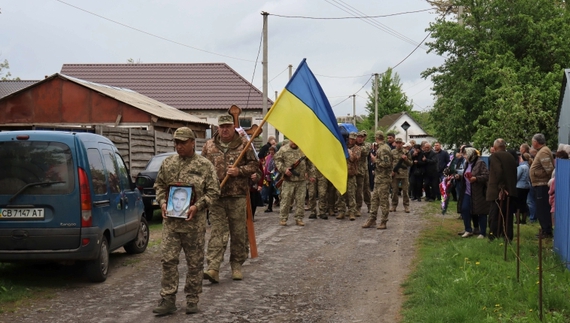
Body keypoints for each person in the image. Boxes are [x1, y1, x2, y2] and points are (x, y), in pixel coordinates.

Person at [152, 127, 219, 316]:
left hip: (193, 225)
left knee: (195, 263)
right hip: (172, 225)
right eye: (176, 143)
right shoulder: (168, 163)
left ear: (192, 143)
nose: (179, 146)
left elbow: (214, 192)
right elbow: (159, 186)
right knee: (168, 261)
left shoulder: (204, 165)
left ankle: (192, 299)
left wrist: (197, 206)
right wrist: (163, 202)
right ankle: (168, 299)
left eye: (182, 142)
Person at [202, 115, 260, 284]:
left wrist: (239, 171)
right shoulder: (209, 145)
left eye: (228, 126)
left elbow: (254, 165)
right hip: (216, 196)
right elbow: (202, 167)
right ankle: (213, 267)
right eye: (222, 126)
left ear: (233, 127)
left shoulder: (244, 144)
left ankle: (236, 265)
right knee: (217, 232)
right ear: (217, 128)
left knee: (238, 232)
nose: (225, 129)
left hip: (237, 195)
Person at [487, 138, 518, 241]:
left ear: (495, 147)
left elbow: (498, 171)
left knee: (494, 215)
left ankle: (493, 236)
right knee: (508, 216)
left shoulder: (495, 156)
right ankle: (507, 237)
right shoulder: (511, 157)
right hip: (511, 190)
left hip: (498, 191)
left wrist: (501, 187)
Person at [274, 139, 309, 226]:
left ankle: (299, 218)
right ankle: (283, 218)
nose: (294, 143)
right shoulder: (283, 149)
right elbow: (277, 160)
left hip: (301, 180)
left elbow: (310, 163)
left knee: (300, 200)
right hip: (288, 180)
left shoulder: (303, 149)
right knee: (285, 199)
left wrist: (309, 173)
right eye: (292, 141)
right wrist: (284, 169)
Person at [362, 130, 393, 229]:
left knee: (383, 201)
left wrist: (375, 161)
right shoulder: (381, 148)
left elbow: (386, 163)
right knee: (374, 200)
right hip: (378, 178)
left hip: (384, 179)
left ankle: (383, 221)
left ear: (376, 138)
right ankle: (372, 219)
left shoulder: (383, 149)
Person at [456, 147, 489, 238]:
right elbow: (465, 174)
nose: (464, 156)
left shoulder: (480, 163)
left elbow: (486, 176)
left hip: (478, 192)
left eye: (466, 154)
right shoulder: (467, 163)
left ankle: (482, 232)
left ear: (471, 154)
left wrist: (476, 178)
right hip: (467, 191)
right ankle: (468, 230)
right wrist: (459, 176)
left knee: (481, 212)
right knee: (464, 209)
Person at [529, 133, 555, 239]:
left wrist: (537, 174)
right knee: (541, 208)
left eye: (532, 141)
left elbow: (549, 169)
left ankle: (546, 230)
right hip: (540, 183)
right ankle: (545, 229)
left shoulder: (543, 151)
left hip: (542, 184)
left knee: (542, 208)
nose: (532, 143)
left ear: (536, 142)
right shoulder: (543, 151)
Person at [337, 132, 361, 220]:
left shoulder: (357, 149)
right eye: (350, 139)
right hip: (342, 174)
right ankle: (341, 211)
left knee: (351, 194)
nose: (351, 141)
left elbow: (355, 159)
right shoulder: (343, 147)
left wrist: (350, 153)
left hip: (351, 174)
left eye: (353, 139)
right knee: (341, 194)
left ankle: (352, 212)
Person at [390, 138, 412, 213]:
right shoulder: (392, 152)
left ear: (402, 144)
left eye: (400, 143)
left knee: (405, 191)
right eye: (397, 143)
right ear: (395, 143)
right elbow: (389, 163)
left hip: (404, 174)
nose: (399, 144)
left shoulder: (406, 152)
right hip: (395, 174)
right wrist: (391, 171)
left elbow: (411, 163)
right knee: (394, 191)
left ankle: (406, 206)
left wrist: (406, 159)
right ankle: (393, 205)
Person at [356, 131, 371, 213]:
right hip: (354, 170)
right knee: (357, 190)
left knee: (366, 189)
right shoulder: (352, 145)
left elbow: (365, 151)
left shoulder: (367, 144)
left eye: (362, 137)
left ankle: (369, 204)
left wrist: (354, 149)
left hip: (363, 170)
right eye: (358, 137)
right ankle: (357, 206)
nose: (360, 138)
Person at [516, 153, 531, 224]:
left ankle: (518, 220)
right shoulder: (528, 166)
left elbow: (517, 177)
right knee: (524, 203)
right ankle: (524, 220)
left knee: (517, 203)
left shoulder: (521, 167)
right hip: (527, 186)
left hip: (519, 186)